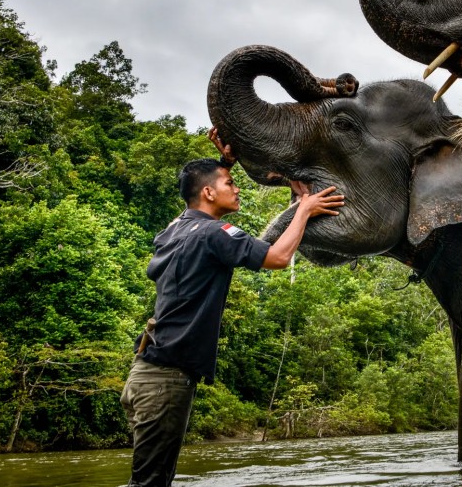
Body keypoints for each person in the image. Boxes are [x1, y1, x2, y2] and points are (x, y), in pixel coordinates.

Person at [120, 128, 343, 487]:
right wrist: (304, 209)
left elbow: (194, 198)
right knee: (150, 484)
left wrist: (225, 163)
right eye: (229, 182)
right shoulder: (212, 233)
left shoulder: (175, 228)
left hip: (143, 378)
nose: (236, 187)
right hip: (164, 382)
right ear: (208, 193)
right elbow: (278, 257)